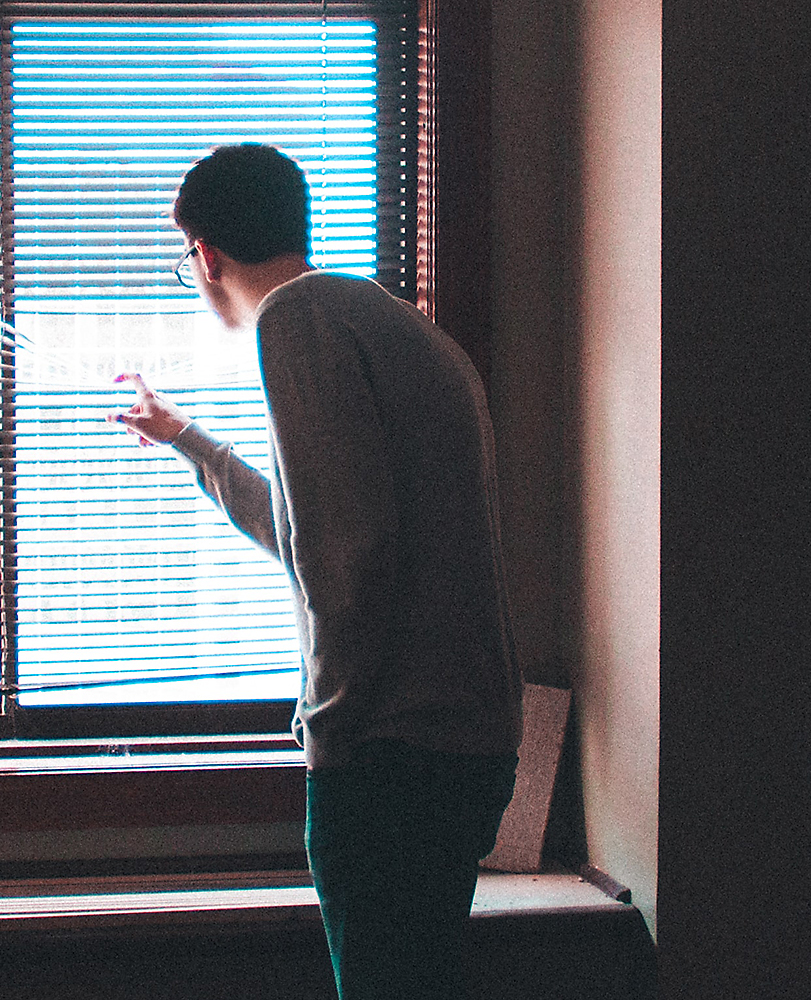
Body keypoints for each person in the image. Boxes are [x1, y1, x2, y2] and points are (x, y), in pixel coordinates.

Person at [110, 143, 524, 1000]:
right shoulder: (387, 321)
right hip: (460, 746)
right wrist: (188, 439)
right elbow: (320, 536)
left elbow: (351, 563)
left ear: (205, 255)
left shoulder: (296, 323)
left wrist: (326, 739)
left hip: (393, 759)